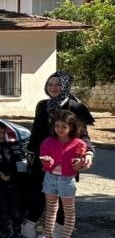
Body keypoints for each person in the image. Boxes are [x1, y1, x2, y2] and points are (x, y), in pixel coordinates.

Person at [22, 71, 95, 238]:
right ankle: (29, 228)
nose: (53, 88)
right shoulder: (42, 104)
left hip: (67, 160)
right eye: (50, 84)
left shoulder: (75, 106)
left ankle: (59, 233)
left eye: (58, 84)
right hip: (42, 158)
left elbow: (83, 134)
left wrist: (88, 153)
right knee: (37, 193)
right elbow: (35, 133)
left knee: (63, 201)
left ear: (65, 85)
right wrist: (31, 156)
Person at [39, 110, 87, 238]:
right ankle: (49, 235)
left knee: (69, 212)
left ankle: (65, 236)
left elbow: (81, 161)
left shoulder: (79, 143)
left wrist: (80, 161)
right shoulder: (48, 141)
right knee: (51, 210)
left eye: (64, 126)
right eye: (57, 126)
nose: (59, 129)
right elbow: (46, 162)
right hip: (49, 178)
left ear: (71, 127)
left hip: (67, 180)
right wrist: (47, 161)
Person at [0, 120, 22, 238]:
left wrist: (11, 175)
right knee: (2, 209)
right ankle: (5, 231)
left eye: (3, 132)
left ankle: (17, 230)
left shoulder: (8, 146)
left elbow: (13, 163)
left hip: (12, 182)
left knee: (15, 208)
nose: (2, 135)